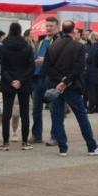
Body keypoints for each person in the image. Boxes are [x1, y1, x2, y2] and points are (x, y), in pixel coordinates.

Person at [43, 21, 98, 157]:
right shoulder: (79, 47)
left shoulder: (53, 46)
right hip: (72, 86)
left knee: (57, 117)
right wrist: (65, 82)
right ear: (73, 30)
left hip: (55, 87)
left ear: (62, 29)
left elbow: (47, 68)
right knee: (81, 117)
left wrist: (59, 82)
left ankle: (62, 148)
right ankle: (91, 146)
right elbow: (78, 69)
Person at [0, 22, 35, 151]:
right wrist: (21, 80)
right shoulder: (28, 47)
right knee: (25, 113)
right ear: (20, 31)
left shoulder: (2, 48)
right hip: (24, 83)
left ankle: (6, 142)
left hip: (8, 82)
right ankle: (24, 142)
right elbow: (31, 67)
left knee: (6, 113)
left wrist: (11, 80)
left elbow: (1, 67)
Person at [31, 17, 58, 145]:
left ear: (57, 27)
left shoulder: (58, 41)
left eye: (51, 26)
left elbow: (59, 59)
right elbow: (36, 55)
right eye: (47, 26)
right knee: (36, 109)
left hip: (50, 78)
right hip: (37, 78)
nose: (48, 28)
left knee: (54, 109)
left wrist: (45, 61)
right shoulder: (41, 40)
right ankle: (37, 135)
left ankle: (55, 136)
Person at [85, 32, 98, 114]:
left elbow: (89, 59)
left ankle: (91, 107)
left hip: (92, 72)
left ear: (92, 38)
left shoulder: (91, 48)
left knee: (92, 91)